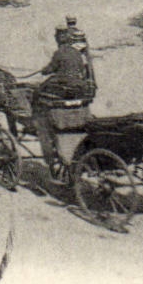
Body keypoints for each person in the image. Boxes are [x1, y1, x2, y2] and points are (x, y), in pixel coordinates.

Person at [31, 26, 95, 177]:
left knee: (38, 91)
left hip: (64, 84)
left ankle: (38, 117)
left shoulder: (59, 52)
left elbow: (52, 68)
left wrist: (44, 70)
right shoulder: (76, 53)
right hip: (78, 86)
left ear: (59, 40)